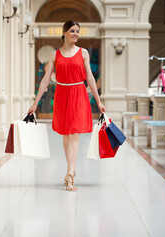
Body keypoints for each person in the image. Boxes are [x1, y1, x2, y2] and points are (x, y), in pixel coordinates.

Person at [28, 20, 106, 192]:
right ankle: (70, 169)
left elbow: (91, 79)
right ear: (64, 33)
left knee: (75, 134)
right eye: (72, 31)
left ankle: (70, 172)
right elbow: (46, 80)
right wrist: (35, 103)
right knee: (65, 134)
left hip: (79, 94)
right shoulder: (55, 55)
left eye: (78, 31)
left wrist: (99, 102)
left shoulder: (83, 53)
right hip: (62, 95)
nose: (76, 34)